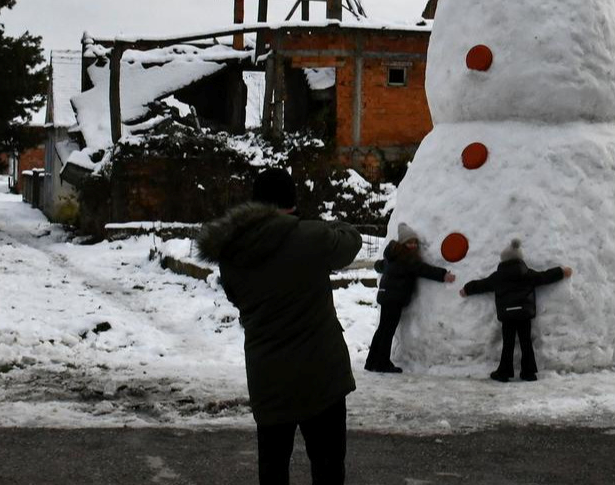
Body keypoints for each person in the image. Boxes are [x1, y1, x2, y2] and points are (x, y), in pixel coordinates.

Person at [195, 167, 362, 485]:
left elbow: (236, 296)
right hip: (321, 375)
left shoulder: (231, 254)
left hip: (268, 376)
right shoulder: (312, 237)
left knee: (273, 466)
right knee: (327, 465)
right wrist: (323, 224)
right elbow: (351, 241)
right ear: (291, 201)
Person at [459, 239, 572, 382]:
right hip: (524, 313)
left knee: (508, 343)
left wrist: (467, 289)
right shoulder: (527, 274)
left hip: (507, 315)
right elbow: (544, 276)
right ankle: (528, 373)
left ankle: (504, 372)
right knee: (526, 342)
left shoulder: (497, 277)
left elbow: (482, 284)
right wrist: (561, 272)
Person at [365, 223, 456, 373]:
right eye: (409, 242)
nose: (413, 245)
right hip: (394, 298)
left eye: (414, 242)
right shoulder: (407, 259)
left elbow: (380, 265)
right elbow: (424, 269)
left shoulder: (393, 255)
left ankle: (371, 361)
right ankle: (382, 363)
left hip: (386, 294)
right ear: (403, 243)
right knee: (387, 331)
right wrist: (443, 275)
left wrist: (377, 266)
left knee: (382, 329)